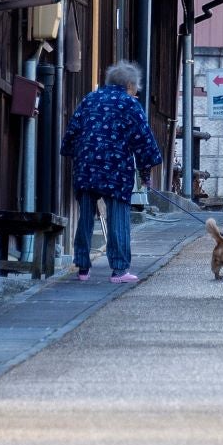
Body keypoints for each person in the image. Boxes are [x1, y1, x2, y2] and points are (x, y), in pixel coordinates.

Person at [60, 61, 164, 284]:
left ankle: (82, 269)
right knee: (118, 218)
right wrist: (146, 172)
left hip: (86, 165)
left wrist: (72, 152)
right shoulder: (129, 104)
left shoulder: (90, 99)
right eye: (136, 87)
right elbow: (143, 140)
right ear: (128, 84)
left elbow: (71, 133)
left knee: (85, 218)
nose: (136, 91)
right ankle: (119, 270)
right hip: (115, 169)